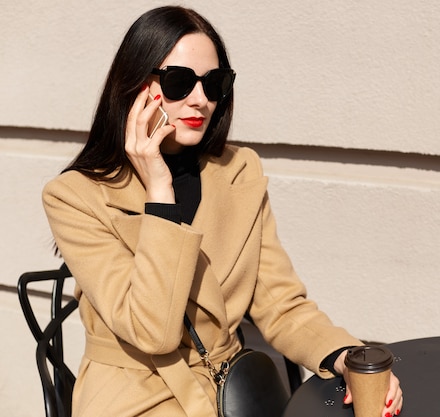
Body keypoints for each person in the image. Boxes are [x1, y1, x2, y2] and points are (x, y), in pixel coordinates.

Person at [42, 6, 402, 417]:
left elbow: (281, 305)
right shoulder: (75, 195)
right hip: (135, 397)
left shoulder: (239, 173)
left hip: (229, 391)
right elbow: (152, 333)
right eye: (179, 82)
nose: (201, 100)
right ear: (138, 87)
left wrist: (346, 357)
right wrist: (160, 193)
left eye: (213, 83)